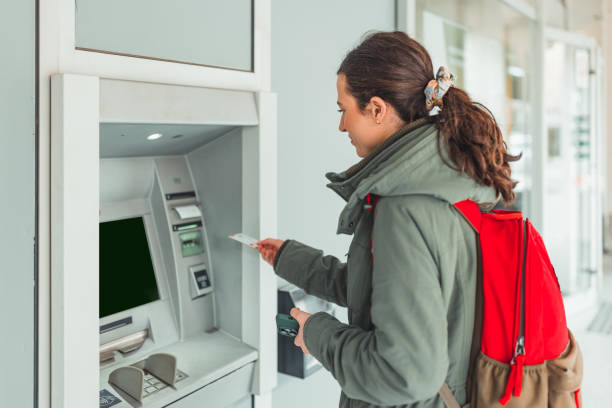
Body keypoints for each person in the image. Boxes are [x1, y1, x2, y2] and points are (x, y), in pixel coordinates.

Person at [257, 31, 519, 408]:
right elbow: (389, 290)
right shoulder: (451, 180)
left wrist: (314, 331)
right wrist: (290, 257)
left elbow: (403, 373)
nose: (341, 126)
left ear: (377, 109)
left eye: (343, 109)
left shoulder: (404, 207)